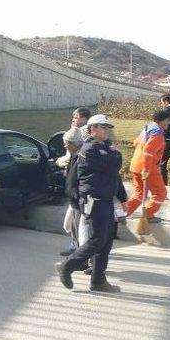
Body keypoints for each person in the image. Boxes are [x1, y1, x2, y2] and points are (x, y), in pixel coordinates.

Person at [55, 114, 124, 293]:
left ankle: (98, 280)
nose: (107, 130)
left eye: (108, 127)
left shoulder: (103, 147)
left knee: (106, 241)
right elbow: (113, 165)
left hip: (106, 200)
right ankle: (66, 267)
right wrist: (115, 153)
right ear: (92, 129)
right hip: (95, 201)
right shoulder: (90, 149)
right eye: (103, 127)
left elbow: (113, 173)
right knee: (97, 240)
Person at [125, 109, 170, 223]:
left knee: (140, 193)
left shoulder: (147, 129)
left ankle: (123, 213)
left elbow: (136, 142)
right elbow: (148, 152)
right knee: (160, 193)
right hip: (148, 168)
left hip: (136, 165)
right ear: (161, 121)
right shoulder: (158, 134)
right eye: (168, 120)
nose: (169, 123)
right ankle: (148, 214)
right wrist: (146, 169)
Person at [60, 127, 84, 257]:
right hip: (73, 200)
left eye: (66, 142)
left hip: (79, 199)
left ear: (73, 143)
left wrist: (76, 194)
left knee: (80, 228)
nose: (65, 145)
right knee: (74, 226)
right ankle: (75, 247)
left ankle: (80, 254)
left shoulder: (82, 157)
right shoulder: (74, 155)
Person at [159, 94, 170, 185]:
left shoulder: (165, 112)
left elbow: (159, 126)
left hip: (166, 140)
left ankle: (163, 186)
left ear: (166, 101)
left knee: (162, 163)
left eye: (162, 102)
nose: (161, 104)